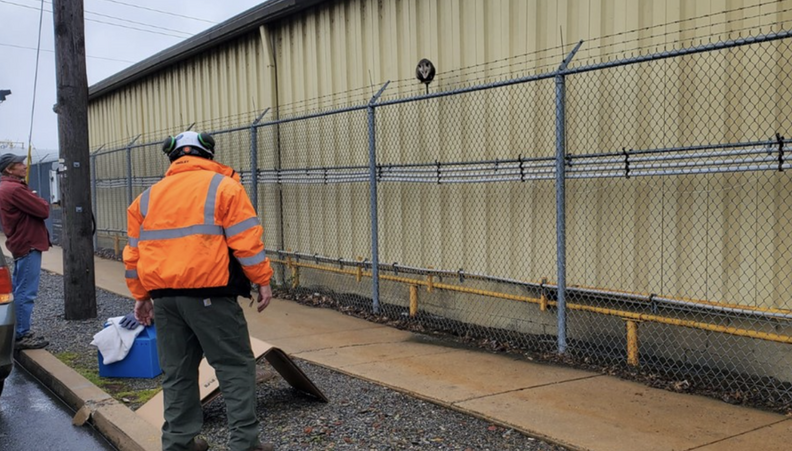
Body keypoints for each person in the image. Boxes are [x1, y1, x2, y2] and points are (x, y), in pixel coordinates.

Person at [123, 131, 274, 451]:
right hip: (210, 295)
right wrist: (262, 279)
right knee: (233, 366)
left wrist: (141, 295)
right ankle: (245, 443)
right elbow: (246, 242)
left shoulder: (146, 199)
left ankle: (180, 442)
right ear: (208, 154)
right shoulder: (225, 187)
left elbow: (133, 255)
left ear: (172, 158)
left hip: (165, 299)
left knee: (177, 372)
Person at [0, 153, 49, 350]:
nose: (24, 166)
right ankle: (20, 334)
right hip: (28, 243)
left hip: (20, 242)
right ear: (9, 169)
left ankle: (18, 331)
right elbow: (44, 209)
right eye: (19, 164)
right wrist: (36, 198)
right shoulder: (14, 189)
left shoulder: (7, 187)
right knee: (26, 292)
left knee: (20, 288)